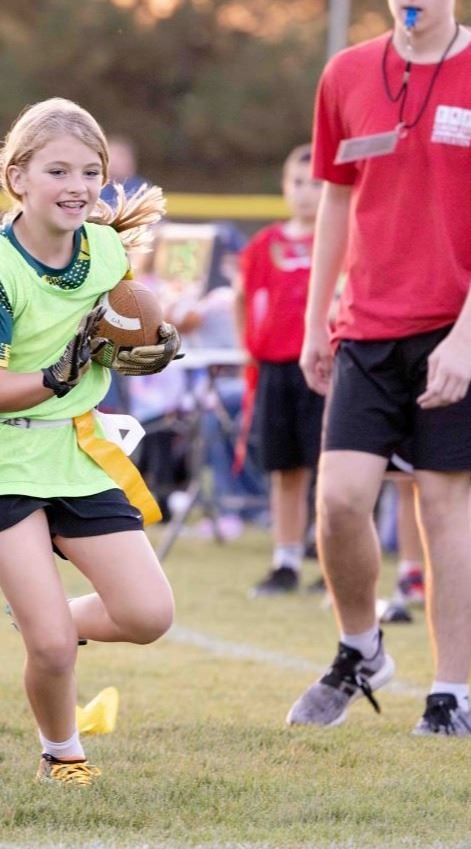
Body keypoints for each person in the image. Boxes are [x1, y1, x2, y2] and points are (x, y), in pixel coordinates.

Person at [0, 98, 182, 785]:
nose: (77, 185)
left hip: (75, 449)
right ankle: (63, 754)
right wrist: (62, 371)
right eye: (57, 170)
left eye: (90, 171)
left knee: (148, 613)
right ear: (16, 178)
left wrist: (148, 343)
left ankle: (45, 616)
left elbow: (117, 331)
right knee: (50, 647)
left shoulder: (106, 248)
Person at [288, 0, 471, 735]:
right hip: (363, 327)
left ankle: (452, 692)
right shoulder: (346, 72)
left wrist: (464, 340)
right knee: (337, 500)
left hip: (454, 328)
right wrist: (313, 323)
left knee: (441, 507)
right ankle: (360, 647)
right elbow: (334, 199)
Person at [234, 143, 325, 596]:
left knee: (328, 471)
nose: (306, 193)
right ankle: (285, 560)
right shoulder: (265, 244)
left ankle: (331, 562)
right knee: (284, 468)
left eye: (316, 184)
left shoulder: (338, 240)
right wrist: (246, 349)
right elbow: (241, 297)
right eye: (298, 183)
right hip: (275, 368)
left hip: (324, 369)